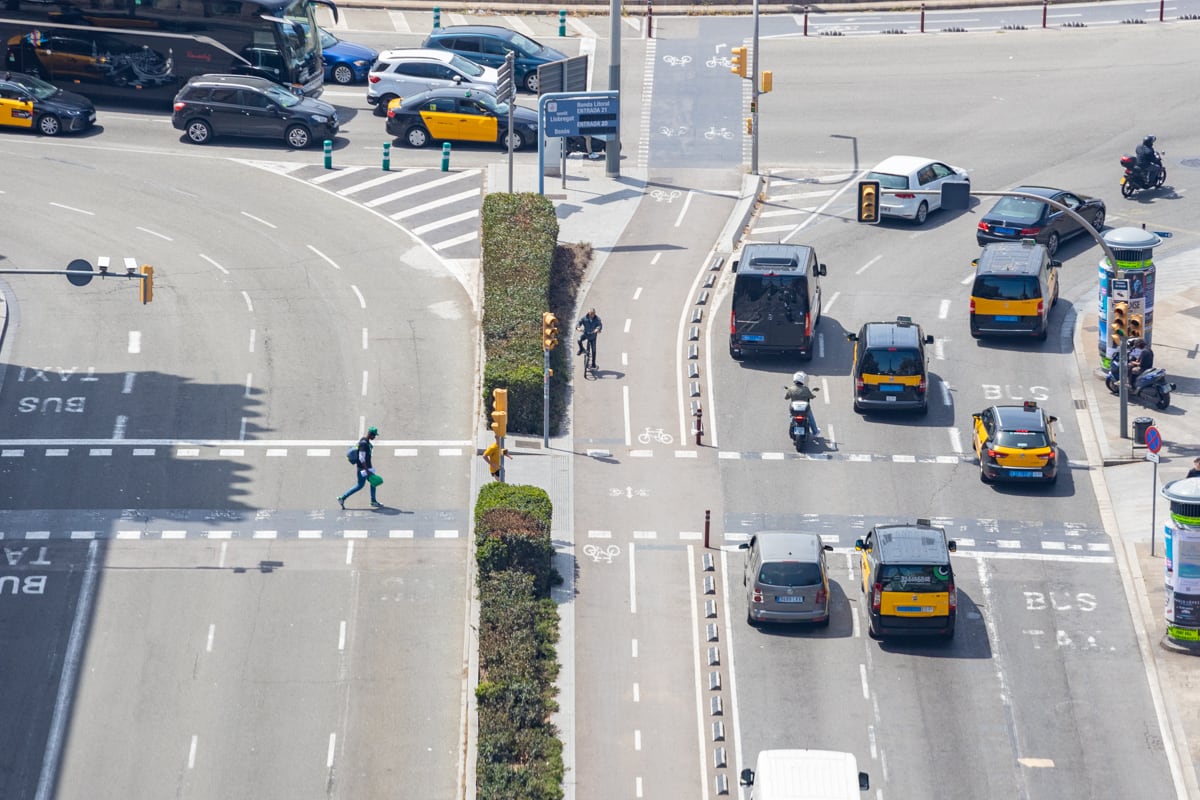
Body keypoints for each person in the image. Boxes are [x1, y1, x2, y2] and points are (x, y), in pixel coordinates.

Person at [337, 426, 380, 509]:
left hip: (366, 467)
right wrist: (366, 470)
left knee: (373, 482)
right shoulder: (364, 444)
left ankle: (373, 501)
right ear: (370, 434)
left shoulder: (365, 440)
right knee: (360, 485)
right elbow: (361, 457)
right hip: (364, 468)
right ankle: (342, 497)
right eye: (374, 435)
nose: (374, 437)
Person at [784, 371, 820, 438]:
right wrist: (813, 396)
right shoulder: (805, 389)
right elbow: (811, 396)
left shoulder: (791, 389)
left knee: (791, 416)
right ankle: (815, 432)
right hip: (804, 409)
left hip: (794, 409)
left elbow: (786, 398)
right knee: (810, 417)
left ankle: (791, 426)